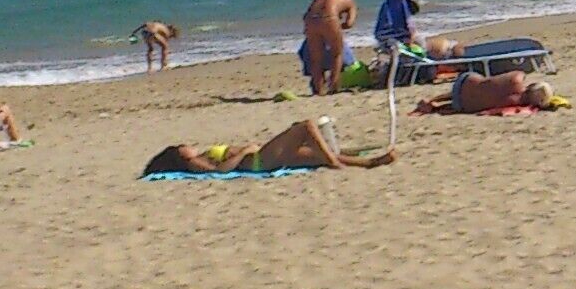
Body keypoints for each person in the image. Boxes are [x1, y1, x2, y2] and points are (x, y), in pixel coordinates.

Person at [142, 116, 394, 177]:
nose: (185, 145)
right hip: (255, 162)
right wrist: (244, 151)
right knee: (304, 126)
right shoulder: (192, 163)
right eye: (180, 147)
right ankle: (335, 163)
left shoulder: (196, 157)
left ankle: (370, 163)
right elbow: (221, 172)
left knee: (311, 155)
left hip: (258, 158)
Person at [300, 0, 356, 96]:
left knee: (316, 59)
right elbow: (349, 23)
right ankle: (333, 87)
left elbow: (306, 14)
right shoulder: (349, 1)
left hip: (310, 19)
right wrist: (338, 26)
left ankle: (319, 89)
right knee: (337, 54)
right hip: (329, 18)